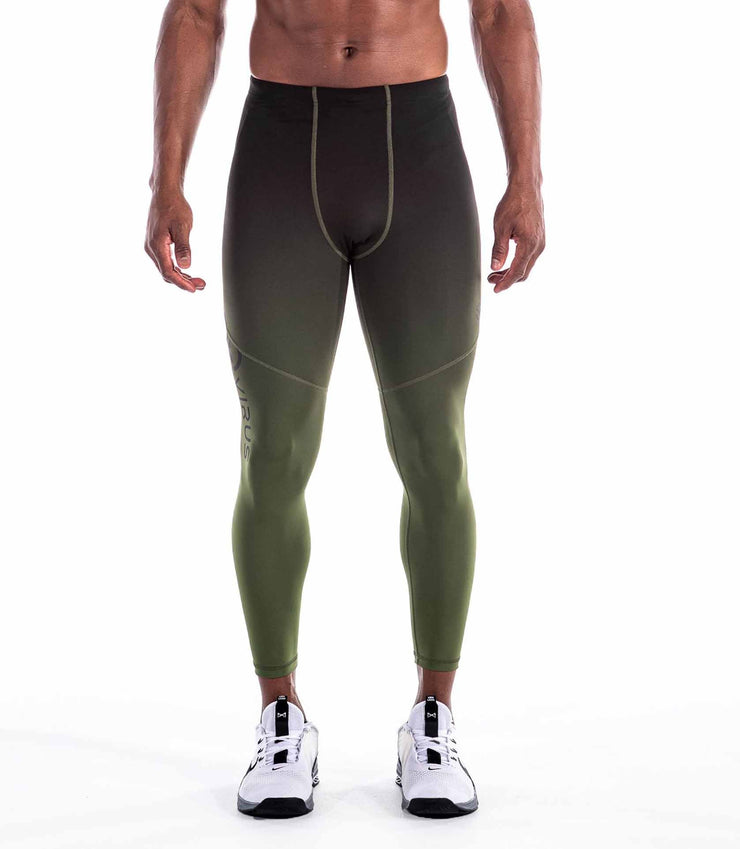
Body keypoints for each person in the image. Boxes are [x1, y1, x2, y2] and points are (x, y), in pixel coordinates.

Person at [145, 0, 544, 819]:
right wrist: (167, 177)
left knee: (436, 449)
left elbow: (501, 11)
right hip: (281, 146)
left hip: (419, 145)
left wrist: (527, 175)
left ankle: (433, 719)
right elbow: (196, 12)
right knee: (272, 450)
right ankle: (280, 718)